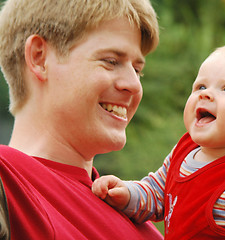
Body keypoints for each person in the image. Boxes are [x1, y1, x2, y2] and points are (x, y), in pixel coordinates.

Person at [92, 44, 225, 239]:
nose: (206, 95)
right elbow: (156, 195)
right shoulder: (183, 153)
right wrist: (127, 194)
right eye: (201, 86)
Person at [0, 0, 163, 239]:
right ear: (39, 57)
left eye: (137, 70)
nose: (134, 85)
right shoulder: (8, 180)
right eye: (111, 61)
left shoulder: (134, 210)